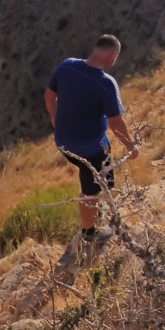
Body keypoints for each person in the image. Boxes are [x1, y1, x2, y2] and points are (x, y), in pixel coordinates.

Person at [45, 34, 138, 243]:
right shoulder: (106, 83)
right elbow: (116, 123)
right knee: (91, 190)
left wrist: (54, 116)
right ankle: (89, 233)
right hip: (90, 149)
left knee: (93, 182)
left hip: (63, 142)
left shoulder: (67, 66)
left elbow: (50, 95)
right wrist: (131, 147)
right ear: (113, 55)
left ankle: (95, 211)